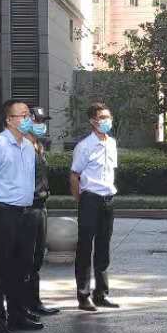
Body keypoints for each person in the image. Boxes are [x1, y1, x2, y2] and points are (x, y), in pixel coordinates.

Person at [0, 99, 42, 333]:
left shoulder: (28, 146)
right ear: (9, 120)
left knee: (21, 266)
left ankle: (17, 314)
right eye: (22, 115)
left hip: (25, 212)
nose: (27, 119)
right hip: (1, 212)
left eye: (28, 115)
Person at [70, 102, 119, 312]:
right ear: (92, 121)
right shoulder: (84, 146)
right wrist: (81, 201)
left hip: (108, 199)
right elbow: (74, 175)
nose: (106, 121)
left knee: (103, 248)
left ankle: (101, 294)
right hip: (90, 199)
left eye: (108, 117)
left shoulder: (112, 143)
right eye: (102, 118)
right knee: (85, 248)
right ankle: (83, 296)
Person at [25, 107, 60, 316]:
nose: (41, 125)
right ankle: (23, 306)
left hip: (41, 205)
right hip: (28, 207)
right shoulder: (22, 147)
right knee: (26, 259)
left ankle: (34, 302)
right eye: (37, 121)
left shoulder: (38, 146)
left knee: (37, 257)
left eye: (42, 121)